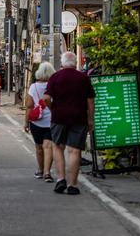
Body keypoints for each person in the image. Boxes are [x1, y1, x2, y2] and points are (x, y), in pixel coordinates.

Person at [42, 51, 94, 195]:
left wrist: (53, 108)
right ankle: (72, 185)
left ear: (62, 63)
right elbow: (90, 100)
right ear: (75, 63)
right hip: (79, 117)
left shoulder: (55, 76)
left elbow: (46, 97)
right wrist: (90, 119)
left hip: (59, 117)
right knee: (75, 150)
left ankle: (60, 180)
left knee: (58, 147)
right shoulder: (83, 77)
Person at [25, 62, 55, 182]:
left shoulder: (33, 87)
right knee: (48, 147)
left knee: (38, 147)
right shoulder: (54, 87)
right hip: (51, 121)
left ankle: (40, 170)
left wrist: (26, 122)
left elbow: (29, 106)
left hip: (36, 121)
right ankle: (48, 173)